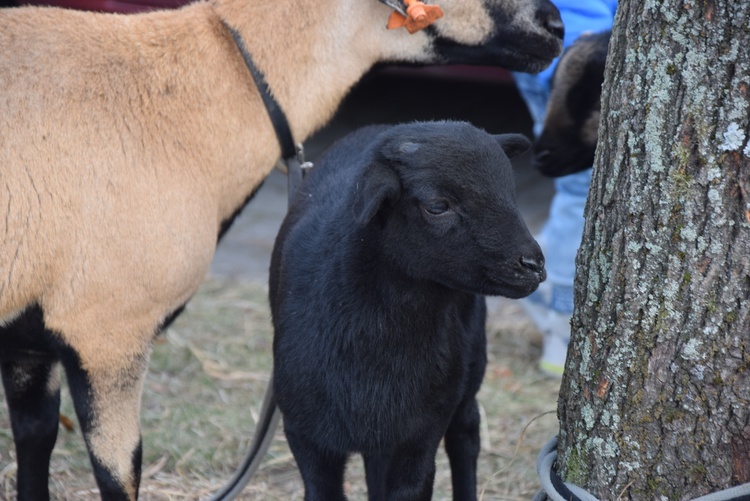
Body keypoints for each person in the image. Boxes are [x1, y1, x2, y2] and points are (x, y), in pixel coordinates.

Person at [513, 0, 618, 378]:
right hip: (573, 48)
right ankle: (562, 326)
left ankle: (544, 281)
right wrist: (578, 50)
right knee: (582, 192)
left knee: (597, 188)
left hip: (600, 44)